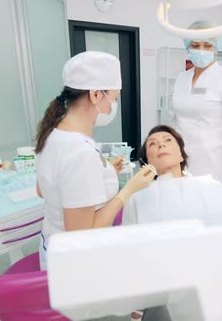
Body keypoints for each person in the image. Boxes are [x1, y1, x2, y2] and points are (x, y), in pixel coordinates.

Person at [34, 51, 156, 270]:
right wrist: (127, 191)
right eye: (114, 98)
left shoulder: (53, 134)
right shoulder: (80, 153)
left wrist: (104, 173)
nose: (113, 106)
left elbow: (44, 189)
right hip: (75, 266)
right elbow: (80, 237)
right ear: (96, 95)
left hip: (51, 248)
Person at [171, 20, 222, 196]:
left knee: (208, 210)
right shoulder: (182, 78)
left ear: (215, 48)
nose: (201, 50)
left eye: (207, 45)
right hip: (180, 159)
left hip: (210, 161)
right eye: (196, 45)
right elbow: (176, 119)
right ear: (187, 47)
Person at [122, 125, 222, 227]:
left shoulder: (213, 187)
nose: (161, 144)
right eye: (152, 143)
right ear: (147, 161)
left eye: (167, 140)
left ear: (181, 156)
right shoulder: (137, 198)